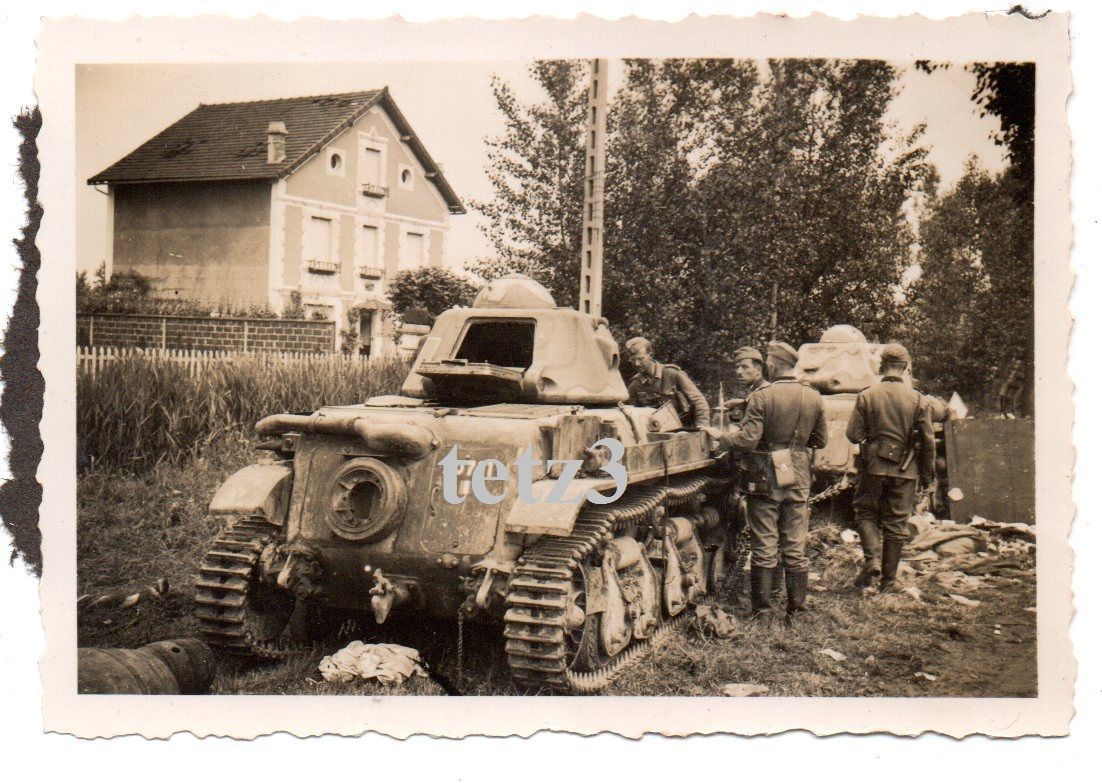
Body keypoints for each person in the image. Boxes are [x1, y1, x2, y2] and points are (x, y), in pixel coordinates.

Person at [704, 341, 828, 623]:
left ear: (771, 364)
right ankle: (796, 611)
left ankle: (762, 611)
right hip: (796, 472)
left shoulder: (763, 395)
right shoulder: (813, 396)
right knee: (795, 545)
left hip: (766, 473)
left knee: (765, 543)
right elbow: (820, 440)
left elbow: (746, 441)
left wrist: (719, 435)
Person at [845, 343, 936, 593]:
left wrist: (872, 440)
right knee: (896, 524)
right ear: (905, 367)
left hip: (872, 466)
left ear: (881, 365)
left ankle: (872, 561)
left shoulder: (867, 395)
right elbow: (928, 441)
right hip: (905, 469)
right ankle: (888, 583)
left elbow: (853, 434)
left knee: (866, 514)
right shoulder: (918, 398)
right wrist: (928, 475)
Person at [624, 336, 711, 430]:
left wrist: (702, 427)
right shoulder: (635, 385)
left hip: (686, 429)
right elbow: (634, 414)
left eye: (641, 359)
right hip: (657, 433)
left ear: (651, 355)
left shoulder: (672, 374)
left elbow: (699, 401)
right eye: (633, 360)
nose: (637, 363)